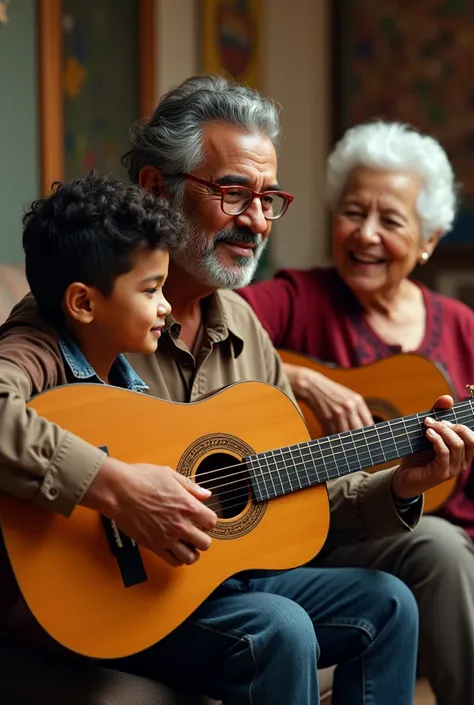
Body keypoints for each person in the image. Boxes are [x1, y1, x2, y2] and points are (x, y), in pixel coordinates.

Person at [0, 81, 472, 705]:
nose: (255, 219)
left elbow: (301, 491)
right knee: (280, 627)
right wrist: (116, 485)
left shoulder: (244, 328)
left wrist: (403, 484)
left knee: (388, 605)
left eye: (268, 198)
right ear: (153, 188)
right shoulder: (79, 312)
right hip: (98, 592)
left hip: (209, 586)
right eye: (233, 193)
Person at [239, 120, 474, 705]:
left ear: (428, 239)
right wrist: (302, 379)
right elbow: (202, 324)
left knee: (445, 542)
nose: (365, 234)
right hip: (323, 527)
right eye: (352, 212)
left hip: (438, 525)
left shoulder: (464, 328)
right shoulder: (298, 297)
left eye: (390, 220)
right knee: (439, 549)